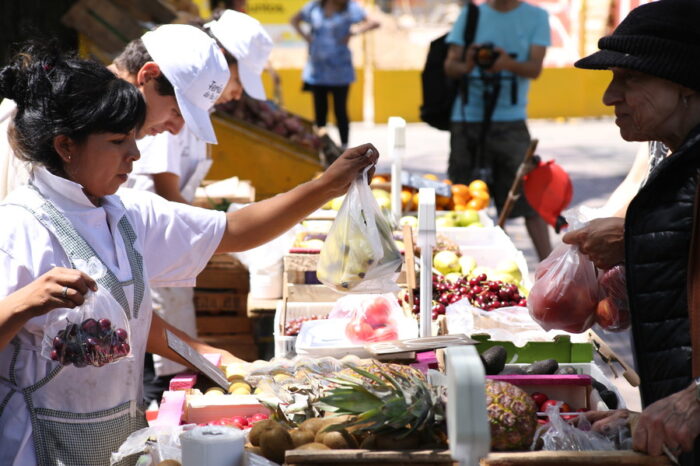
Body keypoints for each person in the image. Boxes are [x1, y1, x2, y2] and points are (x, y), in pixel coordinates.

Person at [0, 45, 378, 465]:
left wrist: (327, 185)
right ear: (66, 146)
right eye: (117, 141)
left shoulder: (126, 215)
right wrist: (21, 305)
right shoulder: (18, 229)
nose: (135, 155)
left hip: (115, 443)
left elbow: (231, 232)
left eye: (133, 138)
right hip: (34, 448)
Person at [561, 0, 700, 462]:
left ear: (684, 86)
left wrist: (696, 399)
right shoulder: (675, 159)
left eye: (630, 79)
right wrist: (655, 412)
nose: (609, 96)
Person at [127, 10, 274, 402]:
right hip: (150, 250)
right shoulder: (155, 106)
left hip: (155, 250)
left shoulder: (178, 101)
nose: (238, 93)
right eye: (240, 79)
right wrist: (212, 234)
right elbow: (163, 184)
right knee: (150, 369)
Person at [0, 23, 231, 201]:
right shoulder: (56, 114)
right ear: (148, 75)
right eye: (177, 113)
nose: (175, 129)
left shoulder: (85, 113)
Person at [443, 0, 552, 261]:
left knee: (528, 199)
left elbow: (534, 68)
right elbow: (450, 66)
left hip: (511, 121)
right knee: (459, 201)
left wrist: (506, 64)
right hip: (467, 119)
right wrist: (468, 64)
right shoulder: (470, 15)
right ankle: (453, 264)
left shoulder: (537, 17)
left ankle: (553, 269)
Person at [291, 0, 379, 150]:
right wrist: (307, 38)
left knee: (340, 110)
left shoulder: (350, 8)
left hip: (340, 70)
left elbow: (374, 22)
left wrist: (354, 32)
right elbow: (294, 20)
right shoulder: (315, 6)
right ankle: (322, 147)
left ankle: (344, 148)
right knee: (320, 111)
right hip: (317, 69)